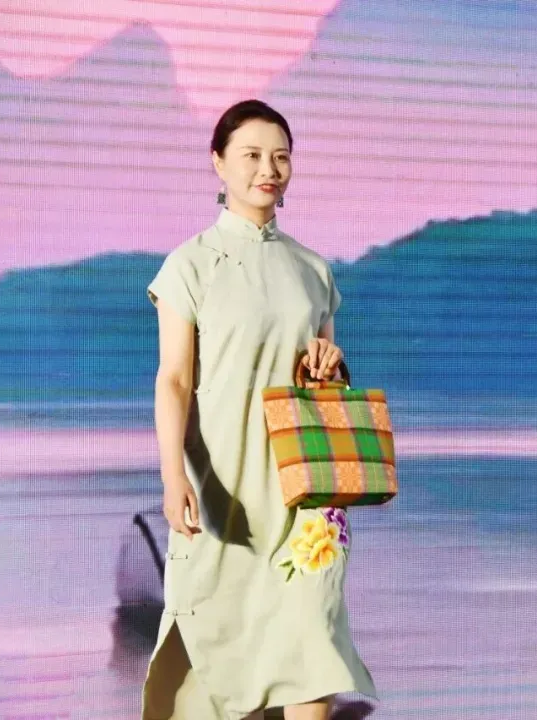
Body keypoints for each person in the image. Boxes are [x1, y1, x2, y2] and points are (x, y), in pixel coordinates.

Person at [142, 99, 376, 719]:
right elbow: (174, 380)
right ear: (218, 162)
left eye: (281, 157)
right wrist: (172, 477)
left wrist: (329, 363)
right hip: (224, 489)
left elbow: (325, 382)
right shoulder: (189, 265)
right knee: (224, 657)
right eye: (251, 155)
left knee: (312, 645)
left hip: (306, 498)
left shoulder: (313, 270)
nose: (268, 169)